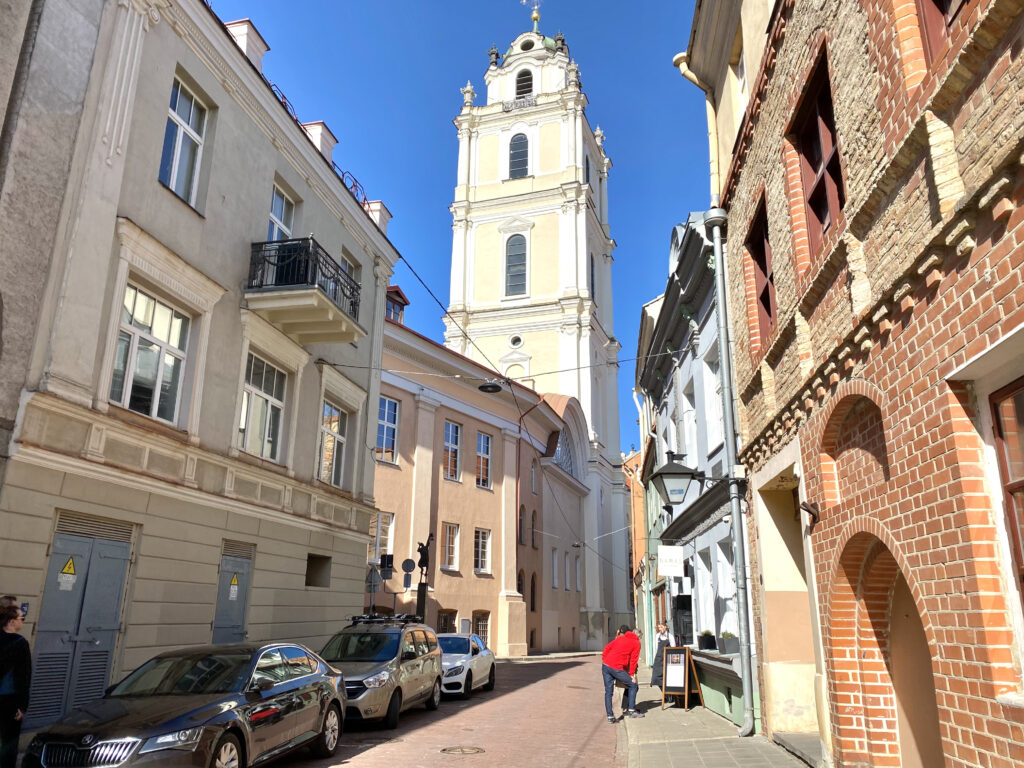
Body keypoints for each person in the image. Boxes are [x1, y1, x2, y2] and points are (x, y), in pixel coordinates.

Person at [0, 603, 31, 768]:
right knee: (9, 743)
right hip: (9, 700)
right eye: (22, 618)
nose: (23, 622)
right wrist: (21, 706)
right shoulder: (19, 643)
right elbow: (23, 677)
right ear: (12, 622)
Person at [601, 624, 643, 723]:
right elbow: (633, 660)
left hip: (606, 665)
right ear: (638, 637)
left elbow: (606, 648)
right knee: (633, 685)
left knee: (608, 692)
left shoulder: (620, 638)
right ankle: (631, 711)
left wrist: (605, 660)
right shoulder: (636, 643)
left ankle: (610, 717)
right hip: (616, 667)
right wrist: (632, 675)